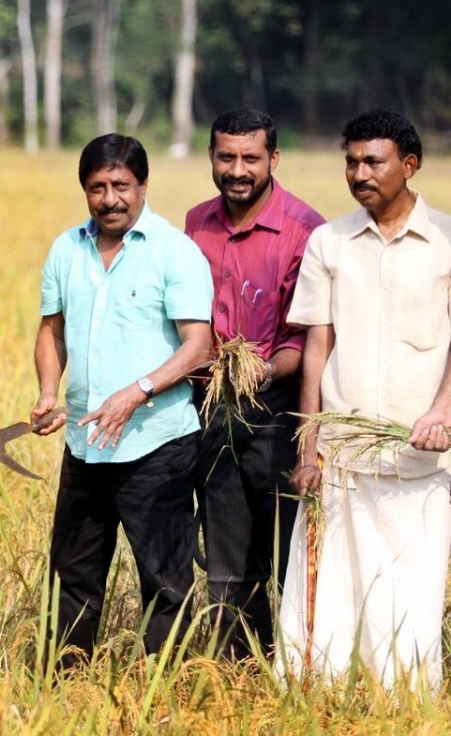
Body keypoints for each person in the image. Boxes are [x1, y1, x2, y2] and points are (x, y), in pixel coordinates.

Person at [280, 109, 451, 689]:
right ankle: (319, 698)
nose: (359, 173)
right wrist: (309, 447)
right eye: (351, 161)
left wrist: (444, 410)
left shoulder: (447, 242)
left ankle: (404, 702)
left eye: (373, 161)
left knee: (411, 586)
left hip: (418, 454)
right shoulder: (329, 242)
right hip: (341, 457)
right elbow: (316, 349)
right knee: (333, 590)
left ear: (410, 164)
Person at [32, 134, 213, 666]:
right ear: (84, 190)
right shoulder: (67, 249)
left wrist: (137, 393)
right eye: (97, 187)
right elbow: (51, 331)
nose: (110, 198)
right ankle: (63, 689)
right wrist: (48, 390)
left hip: (157, 446)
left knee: (165, 580)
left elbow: (198, 346)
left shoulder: (174, 250)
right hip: (86, 446)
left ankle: (160, 692)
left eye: (121, 186)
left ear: (143, 185)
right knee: (72, 576)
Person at [184, 109, 325, 660]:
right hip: (210, 406)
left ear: (273, 159)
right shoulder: (196, 223)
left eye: (250, 158)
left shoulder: (304, 230)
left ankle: (296, 668)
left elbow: (306, 338)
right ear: (212, 157)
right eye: (226, 157)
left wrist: (259, 371)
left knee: (286, 550)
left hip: (277, 407)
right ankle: (232, 673)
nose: (237, 169)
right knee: (224, 553)